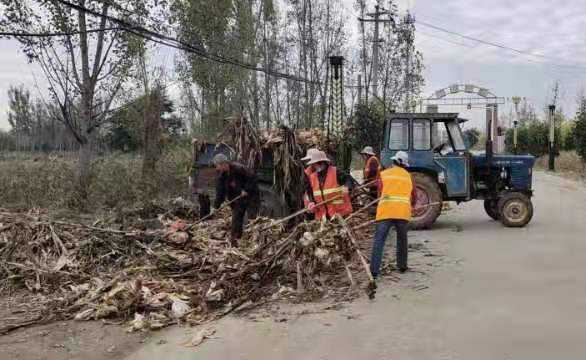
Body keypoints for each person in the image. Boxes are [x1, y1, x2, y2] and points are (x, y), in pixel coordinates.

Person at [370, 151, 414, 278]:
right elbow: (414, 196)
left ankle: (374, 271)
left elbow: (379, 194)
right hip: (402, 213)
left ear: (394, 161)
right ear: (403, 164)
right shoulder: (408, 176)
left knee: (379, 240)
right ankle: (402, 266)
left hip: (385, 212)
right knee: (402, 239)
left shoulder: (383, 174)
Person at [212, 153, 260, 246]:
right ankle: (235, 241)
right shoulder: (222, 175)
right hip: (237, 199)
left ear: (223, 164)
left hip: (251, 196)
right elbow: (220, 192)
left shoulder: (238, 168)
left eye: (217, 166)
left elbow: (253, 177)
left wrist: (246, 189)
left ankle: (253, 241)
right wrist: (216, 207)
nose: (217, 168)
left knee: (252, 218)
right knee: (236, 219)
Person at [305, 150, 353, 220]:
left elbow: (348, 179)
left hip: (340, 214)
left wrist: (347, 187)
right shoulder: (312, 177)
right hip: (323, 217)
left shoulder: (336, 172)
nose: (317, 165)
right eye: (315, 164)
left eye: (319, 163)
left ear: (324, 162)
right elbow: (310, 192)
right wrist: (311, 202)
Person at [189, 139, 211, 219]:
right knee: (202, 204)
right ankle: (203, 219)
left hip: (203, 187)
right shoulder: (195, 166)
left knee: (207, 203)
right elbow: (191, 180)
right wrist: (195, 190)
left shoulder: (203, 163)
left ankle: (207, 219)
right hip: (199, 188)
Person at [301, 148, 320, 216]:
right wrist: (311, 201)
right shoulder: (307, 172)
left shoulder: (324, 169)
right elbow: (307, 188)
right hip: (311, 198)